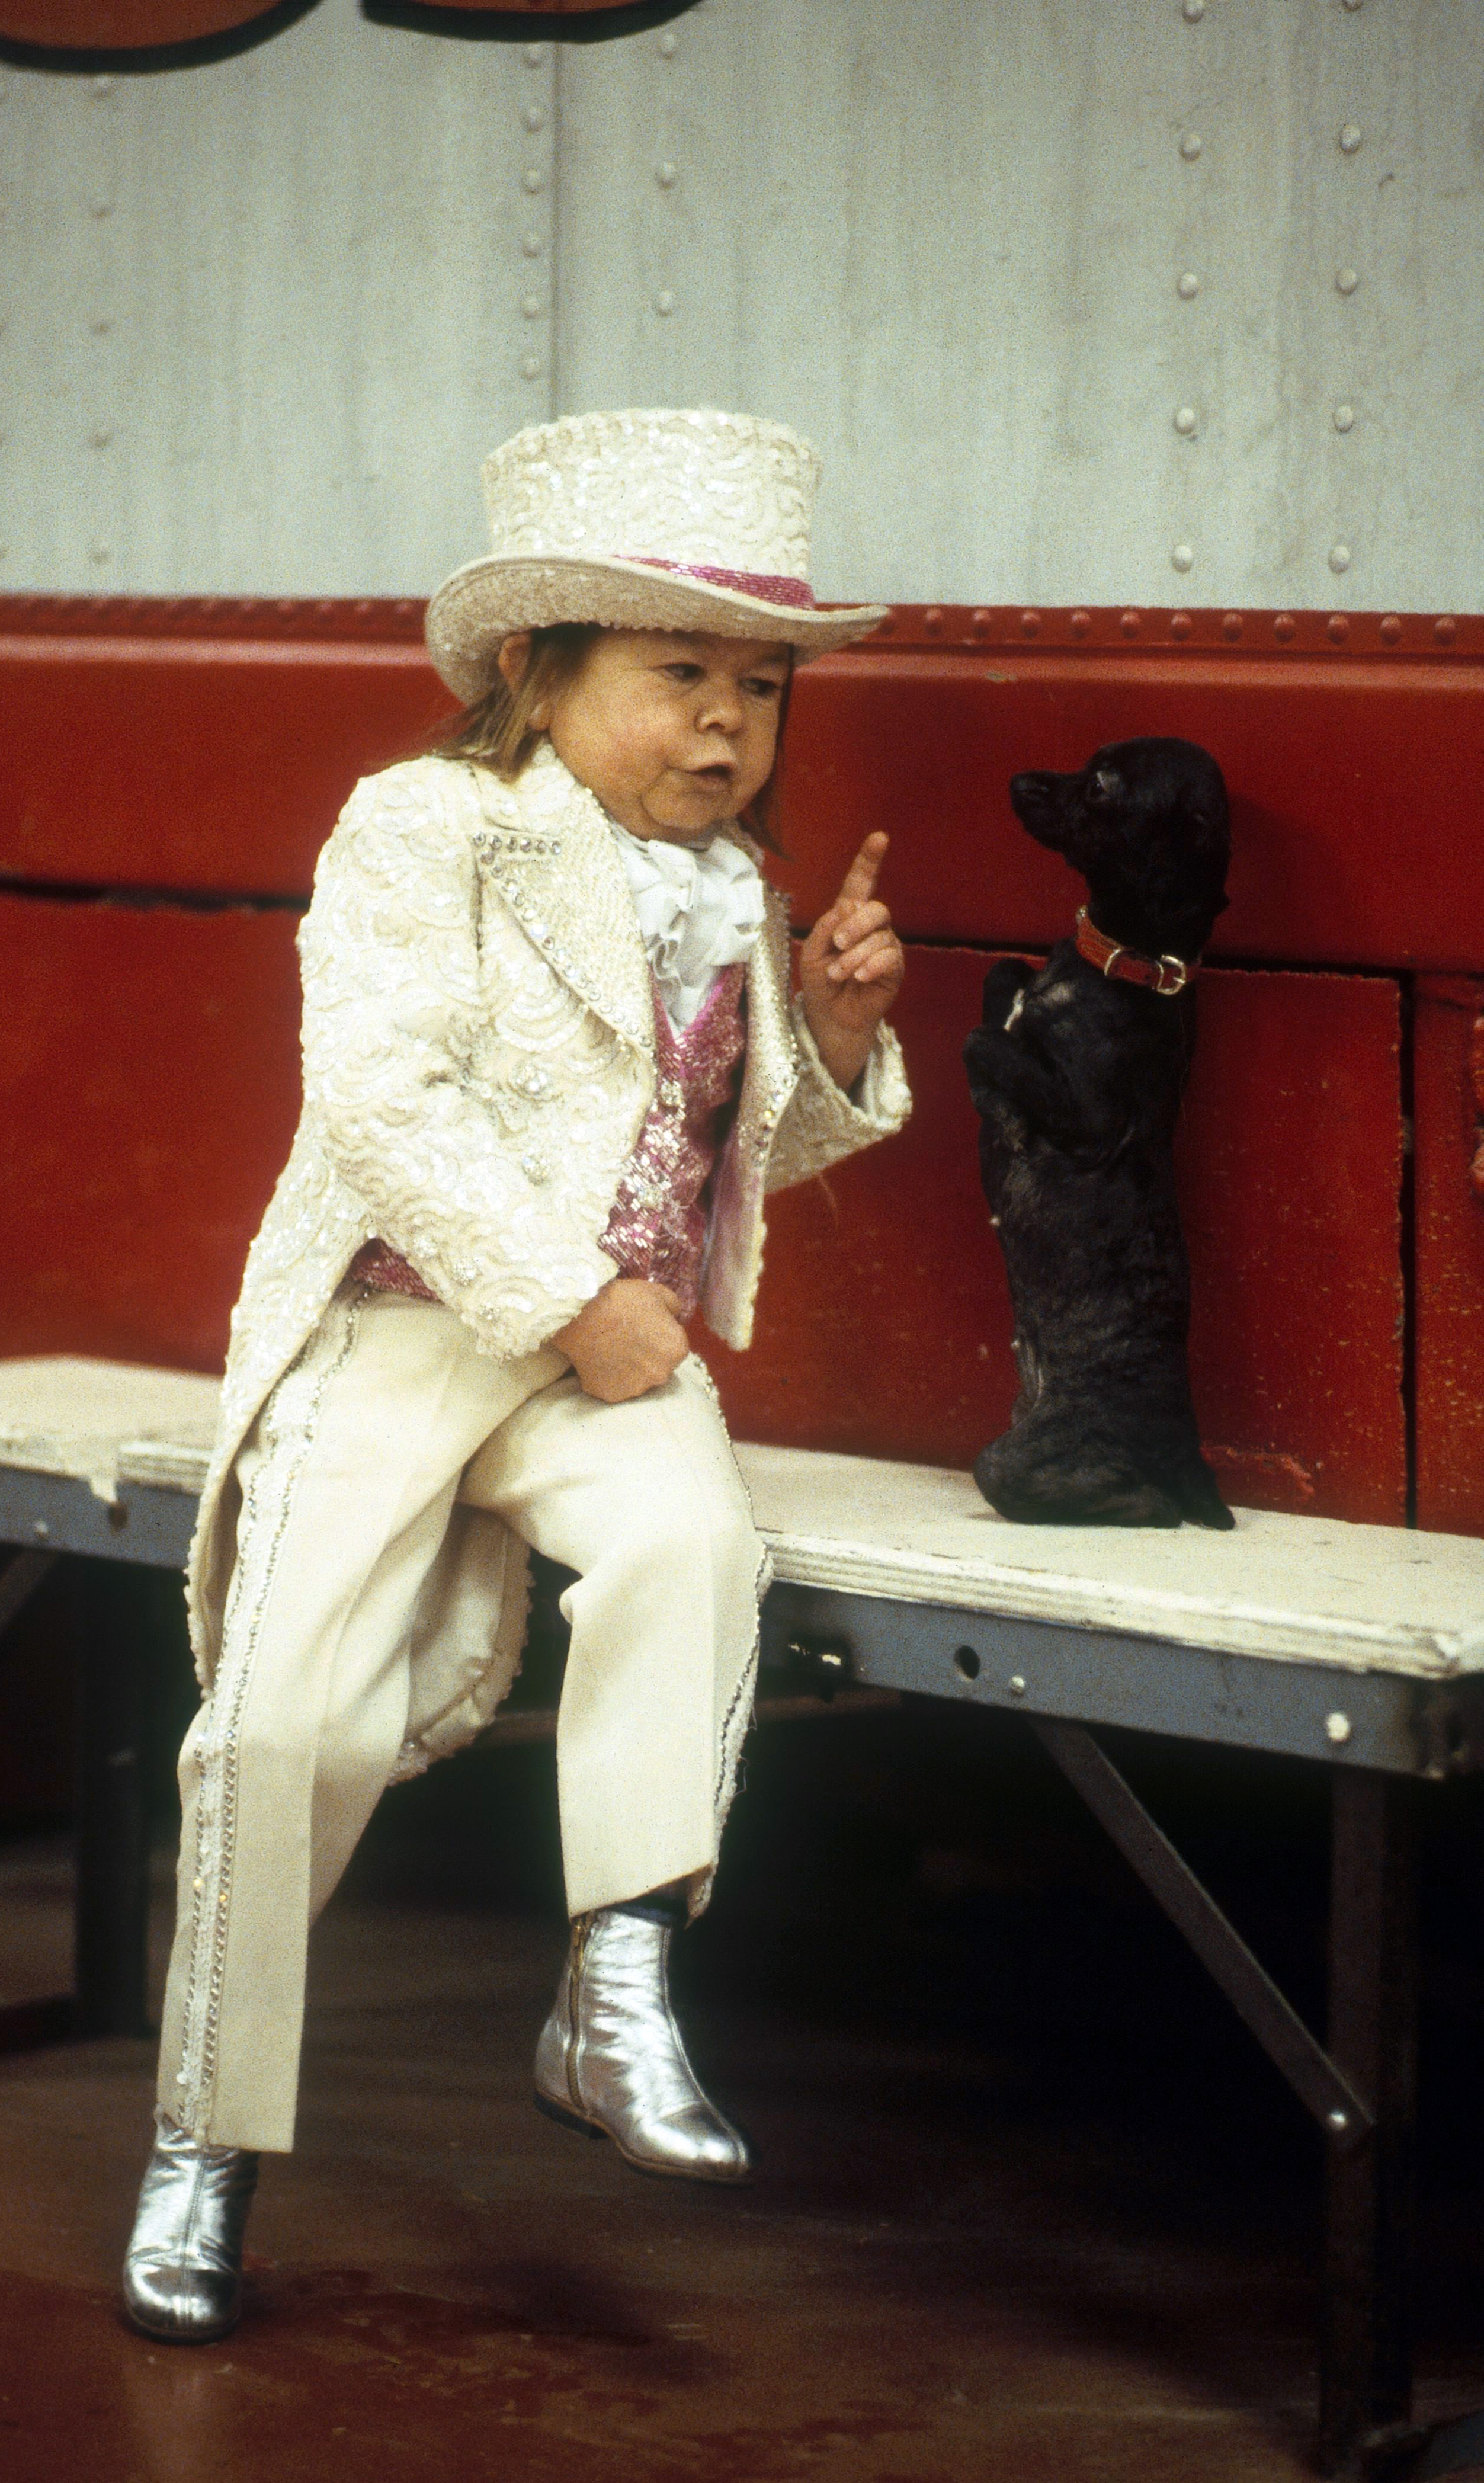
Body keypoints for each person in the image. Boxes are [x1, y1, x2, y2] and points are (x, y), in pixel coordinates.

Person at [123, 407, 912, 2342]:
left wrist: (816, 1036)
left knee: (690, 1557)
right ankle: (199, 2143)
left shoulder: (731, 888)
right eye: (677, 676)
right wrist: (568, 1299)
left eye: (759, 686)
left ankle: (615, 1980)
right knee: (277, 1729)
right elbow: (378, 1096)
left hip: (594, 1360)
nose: (728, 727)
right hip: (411, 1323)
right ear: (533, 676)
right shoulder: (424, 825)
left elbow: (723, 1147)